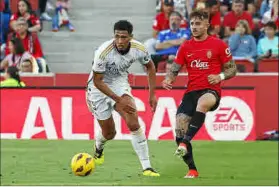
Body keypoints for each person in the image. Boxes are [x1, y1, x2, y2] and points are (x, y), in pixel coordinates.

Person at [162, 10, 237, 178]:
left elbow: (233, 69)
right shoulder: (186, 47)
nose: (194, 27)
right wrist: (169, 79)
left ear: (207, 25)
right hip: (191, 91)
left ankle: (185, 142)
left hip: (211, 91)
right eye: (192, 24)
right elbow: (175, 68)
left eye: (198, 24)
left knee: (203, 102)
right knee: (180, 127)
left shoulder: (218, 44)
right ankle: (192, 169)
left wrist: (220, 76)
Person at [86, 20, 160, 177]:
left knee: (133, 121)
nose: (120, 41)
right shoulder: (103, 52)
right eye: (117, 36)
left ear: (131, 37)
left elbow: (150, 67)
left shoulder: (139, 49)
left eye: (124, 37)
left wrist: (152, 94)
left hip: (119, 82)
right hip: (97, 88)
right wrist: (117, 99)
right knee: (110, 133)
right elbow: (97, 81)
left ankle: (147, 167)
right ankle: (99, 146)